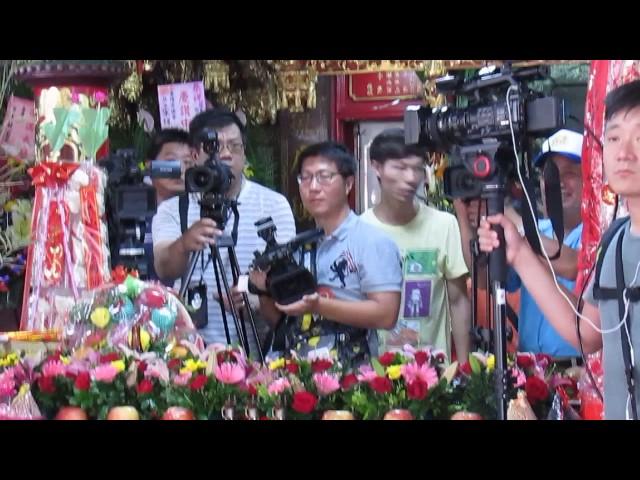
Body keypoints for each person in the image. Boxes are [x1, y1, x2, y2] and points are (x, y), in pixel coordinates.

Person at [477, 79, 640, 419]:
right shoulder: (616, 242)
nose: (624, 152)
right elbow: (585, 332)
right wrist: (519, 252)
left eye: (639, 137)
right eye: (613, 137)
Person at [152, 109, 296, 353]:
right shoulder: (173, 210)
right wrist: (184, 244)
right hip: (188, 352)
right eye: (215, 147)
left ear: (244, 152)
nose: (227, 154)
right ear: (195, 155)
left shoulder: (273, 204)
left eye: (235, 146)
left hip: (257, 350)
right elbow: (165, 268)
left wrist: (257, 298)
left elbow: (288, 283)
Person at [251, 142, 402, 366]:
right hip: (298, 374)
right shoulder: (298, 247)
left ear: (348, 183)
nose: (313, 187)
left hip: (352, 374)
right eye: (305, 178)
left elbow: (386, 314)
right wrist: (262, 290)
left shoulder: (372, 241)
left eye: (324, 176)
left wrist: (318, 306)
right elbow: (281, 322)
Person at [456, 129, 584, 358]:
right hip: (533, 370)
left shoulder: (601, 231)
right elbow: (483, 279)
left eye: (570, 173)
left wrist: (514, 226)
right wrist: (466, 219)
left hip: (580, 371)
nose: (558, 183)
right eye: (549, 174)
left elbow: (575, 263)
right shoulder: (535, 231)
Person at [360, 129, 470, 361]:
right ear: (376, 166)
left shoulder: (444, 225)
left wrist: (464, 365)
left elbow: (458, 300)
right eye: (400, 168)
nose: (411, 178)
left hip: (434, 372)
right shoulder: (359, 231)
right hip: (373, 378)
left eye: (418, 168)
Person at [142, 129, 193, 284]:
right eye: (171, 161)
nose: (181, 170)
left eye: (188, 163)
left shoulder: (200, 213)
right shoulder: (132, 207)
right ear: (150, 165)